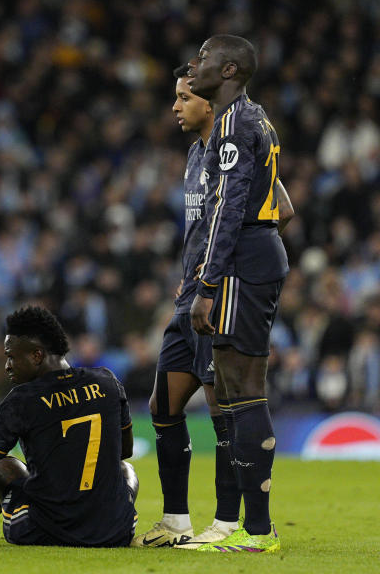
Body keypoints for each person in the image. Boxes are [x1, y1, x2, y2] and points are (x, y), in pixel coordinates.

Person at [134, 66, 294, 549]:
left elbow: (281, 207)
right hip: (189, 294)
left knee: (226, 406)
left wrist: (236, 261)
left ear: (208, 101)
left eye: (185, 97)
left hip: (218, 287)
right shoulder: (194, 153)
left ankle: (227, 522)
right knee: (163, 405)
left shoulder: (232, 145)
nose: (177, 106)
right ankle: (176, 520)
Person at [188, 35, 290, 553]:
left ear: (228, 70)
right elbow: (283, 204)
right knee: (230, 388)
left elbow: (227, 209)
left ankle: (256, 531)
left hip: (240, 262)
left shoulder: (231, 127)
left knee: (243, 386)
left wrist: (207, 286)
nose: (194, 64)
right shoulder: (257, 118)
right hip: (257, 253)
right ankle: (237, 525)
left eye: (203, 58)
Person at [0, 306, 138, 547]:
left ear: (36, 355)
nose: (7, 366)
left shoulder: (20, 400)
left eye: (11, 356)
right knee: (126, 469)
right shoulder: (107, 381)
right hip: (115, 532)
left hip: (42, 531)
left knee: (3, 464)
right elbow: (124, 452)